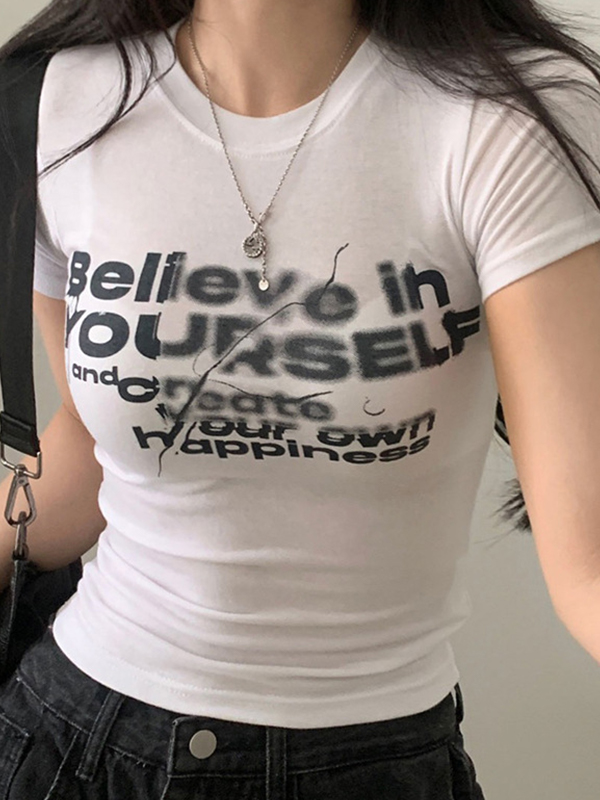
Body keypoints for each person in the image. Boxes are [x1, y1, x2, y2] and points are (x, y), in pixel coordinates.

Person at [1, 0, 600, 797]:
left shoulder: (504, 116)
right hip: (77, 740)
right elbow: (91, 446)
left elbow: (589, 562)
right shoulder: (53, 104)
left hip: (372, 759)